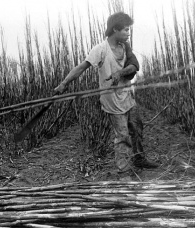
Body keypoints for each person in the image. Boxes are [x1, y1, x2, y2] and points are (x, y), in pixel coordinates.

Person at [54, 12, 159, 180]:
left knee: (137, 127)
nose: (128, 33)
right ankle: (123, 171)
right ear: (115, 29)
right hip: (112, 101)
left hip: (127, 96)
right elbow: (82, 67)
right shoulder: (100, 50)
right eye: (125, 30)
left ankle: (139, 159)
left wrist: (120, 73)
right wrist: (64, 84)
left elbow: (135, 65)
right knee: (122, 135)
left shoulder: (125, 46)